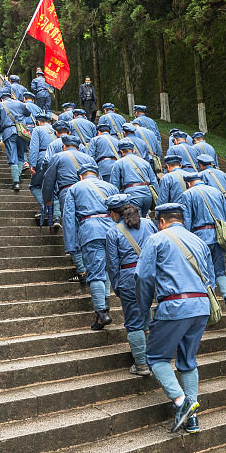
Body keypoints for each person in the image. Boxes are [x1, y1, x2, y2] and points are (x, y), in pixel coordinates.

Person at [135, 202, 214, 433]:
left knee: (156, 357)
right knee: (188, 360)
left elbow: (142, 276)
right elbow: (209, 277)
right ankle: (193, 419)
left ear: (161, 221)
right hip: (200, 306)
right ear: (181, 219)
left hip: (174, 305)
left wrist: (144, 310)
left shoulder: (156, 239)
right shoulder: (199, 241)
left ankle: (182, 403)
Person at [106, 194, 157, 375]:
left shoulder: (113, 232)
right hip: (150, 276)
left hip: (129, 278)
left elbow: (112, 264)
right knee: (145, 316)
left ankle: (142, 364)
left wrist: (116, 285)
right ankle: (152, 356)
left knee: (134, 322)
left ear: (114, 213)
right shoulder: (149, 224)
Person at [62, 164, 117, 329]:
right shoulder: (111, 187)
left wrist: (71, 244)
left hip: (90, 230)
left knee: (95, 272)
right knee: (107, 269)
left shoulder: (75, 188)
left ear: (81, 176)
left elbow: (69, 217)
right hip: (112, 231)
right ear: (97, 174)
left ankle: (101, 313)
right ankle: (104, 307)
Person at [178, 170, 226, 300]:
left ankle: (211, 304)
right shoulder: (217, 192)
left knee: (204, 272)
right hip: (220, 237)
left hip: (200, 238)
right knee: (220, 272)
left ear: (188, 183)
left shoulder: (188, 194)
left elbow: (187, 220)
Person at [0, 91, 36, 190]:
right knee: (21, 155)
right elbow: (27, 113)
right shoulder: (20, 104)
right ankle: (18, 176)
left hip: (9, 132)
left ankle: (16, 182)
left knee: (12, 157)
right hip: (22, 132)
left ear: (2, 99)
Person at [110, 138, 159, 216]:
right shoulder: (144, 162)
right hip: (147, 195)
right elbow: (154, 181)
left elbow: (114, 184)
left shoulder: (119, 163)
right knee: (143, 219)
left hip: (133, 195)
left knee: (136, 221)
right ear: (133, 151)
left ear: (121, 152)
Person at [27, 115, 57, 224]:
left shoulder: (38, 129)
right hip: (57, 159)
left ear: (39, 122)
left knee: (35, 185)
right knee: (54, 187)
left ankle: (45, 207)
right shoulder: (56, 129)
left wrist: (32, 164)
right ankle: (56, 216)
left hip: (43, 157)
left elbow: (34, 148)